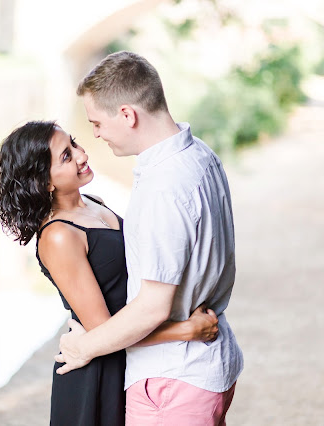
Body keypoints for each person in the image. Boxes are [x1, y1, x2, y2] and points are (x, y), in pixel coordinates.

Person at [55, 51, 244, 425]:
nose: (94, 135)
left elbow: (153, 307)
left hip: (173, 380)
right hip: (205, 366)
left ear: (127, 114)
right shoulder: (199, 154)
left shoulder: (163, 188)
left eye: (96, 123)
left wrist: (83, 348)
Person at [0, 120, 220, 425]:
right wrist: (187, 331)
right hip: (97, 375)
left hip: (129, 356)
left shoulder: (94, 202)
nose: (81, 154)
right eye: (66, 156)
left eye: (73, 143)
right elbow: (102, 331)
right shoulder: (59, 236)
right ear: (45, 182)